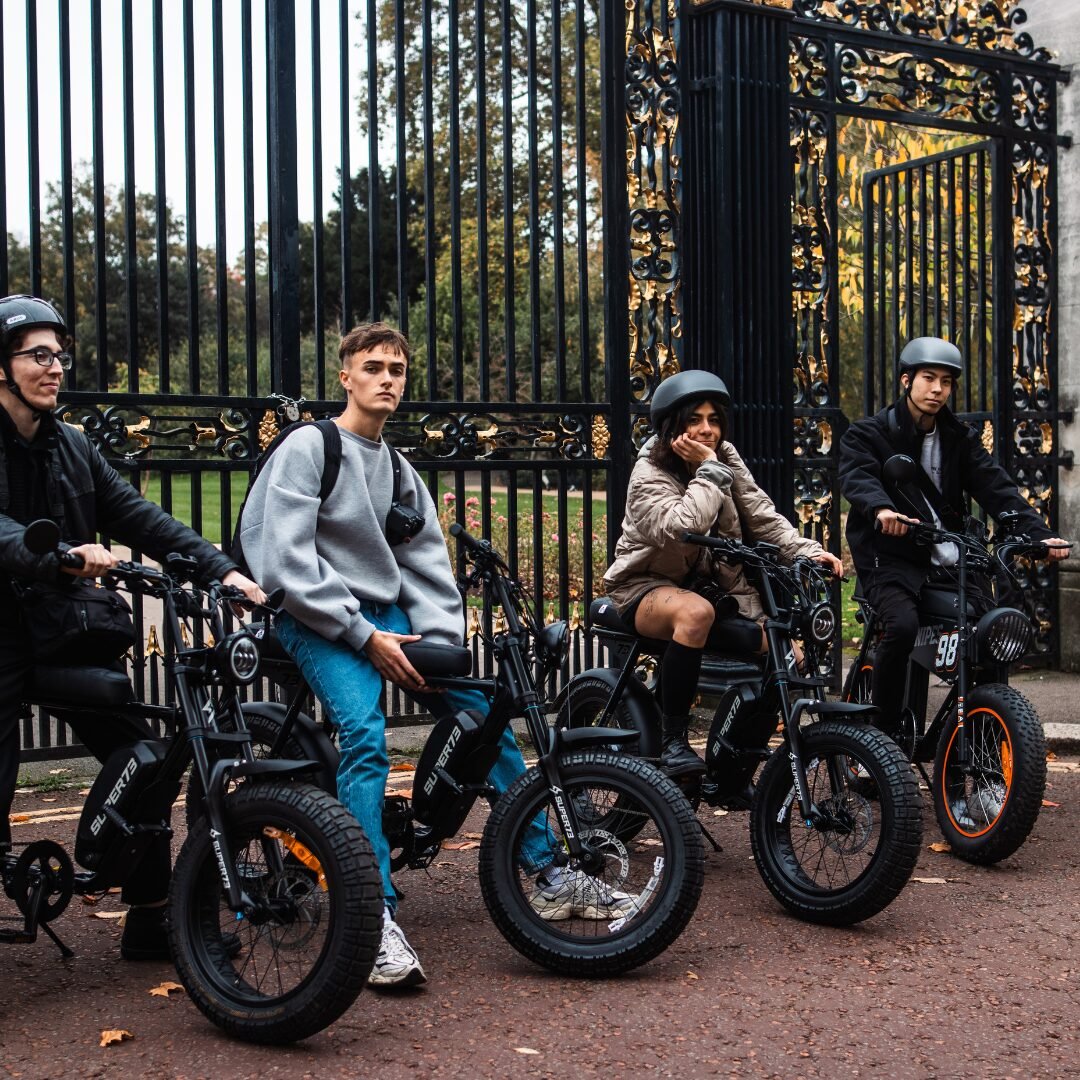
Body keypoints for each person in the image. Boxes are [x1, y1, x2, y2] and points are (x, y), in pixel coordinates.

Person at [237, 322, 632, 990]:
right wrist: (362, 635)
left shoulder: (397, 467)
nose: (387, 378)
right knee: (365, 736)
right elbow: (282, 556)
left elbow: (424, 565)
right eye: (374, 367)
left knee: (482, 716)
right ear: (346, 376)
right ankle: (370, 914)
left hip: (387, 618)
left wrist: (440, 640)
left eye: (397, 367)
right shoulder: (311, 446)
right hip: (312, 613)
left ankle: (548, 874)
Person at [0, 294, 265, 960]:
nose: (54, 367)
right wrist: (58, 555)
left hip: (63, 630)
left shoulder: (72, 447)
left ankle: (152, 917)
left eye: (60, 355)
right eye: (38, 354)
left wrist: (221, 571)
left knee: (146, 757)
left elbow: (143, 519)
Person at [603, 370, 843, 777]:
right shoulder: (649, 474)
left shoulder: (725, 457)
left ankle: (732, 769)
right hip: (642, 587)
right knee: (694, 613)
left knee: (790, 656)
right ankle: (673, 741)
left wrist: (808, 551)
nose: (706, 429)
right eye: (694, 419)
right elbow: (683, 530)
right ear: (672, 425)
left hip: (708, 590)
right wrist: (709, 470)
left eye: (714, 420)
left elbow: (761, 515)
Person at [839, 336, 1069, 739]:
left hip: (949, 560)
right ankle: (882, 736)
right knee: (903, 626)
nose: (937, 389)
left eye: (946, 381)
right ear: (906, 380)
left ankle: (983, 741)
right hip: (890, 560)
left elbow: (997, 489)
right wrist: (881, 510)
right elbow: (857, 477)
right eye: (928, 378)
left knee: (991, 631)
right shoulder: (868, 434)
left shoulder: (958, 439)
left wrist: (1039, 535)